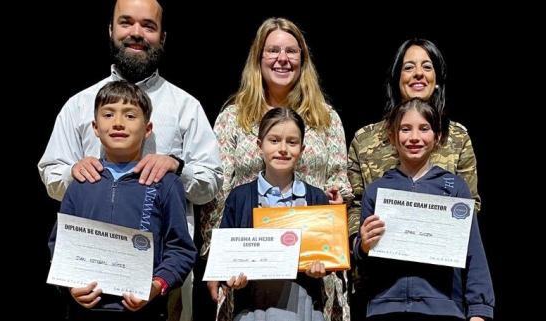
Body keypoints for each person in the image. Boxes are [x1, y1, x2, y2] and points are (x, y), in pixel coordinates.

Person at [37, 1, 223, 320]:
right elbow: (52, 177)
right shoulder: (78, 105)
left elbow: (211, 185)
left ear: (162, 36)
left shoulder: (186, 107)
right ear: (111, 30)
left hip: (162, 286)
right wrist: (73, 172)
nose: (136, 33)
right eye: (126, 23)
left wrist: (177, 166)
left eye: (148, 26)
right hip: (89, 286)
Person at [199, 17, 353, 321]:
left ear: (302, 60)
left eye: (291, 52)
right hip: (249, 272)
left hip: (311, 270)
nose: (282, 59)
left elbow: (340, 181)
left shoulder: (327, 118)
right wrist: (217, 260)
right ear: (258, 59)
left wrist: (335, 206)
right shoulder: (233, 117)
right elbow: (218, 195)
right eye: (272, 51)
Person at [346, 38, 481, 320]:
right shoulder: (365, 138)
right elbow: (356, 205)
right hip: (383, 289)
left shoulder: (457, 136)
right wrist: (362, 245)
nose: (418, 73)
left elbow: (469, 212)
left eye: (426, 66)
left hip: (440, 289)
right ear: (397, 77)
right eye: (409, 67)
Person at [47, 80, 196, 321]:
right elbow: (60, 246)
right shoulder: (81, 182)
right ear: (95, 127)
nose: (118, 123)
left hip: (145, 311)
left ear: (147, 129)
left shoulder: (165, 183)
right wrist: (69, 288)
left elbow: (180, 249)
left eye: (130, 115)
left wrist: (157, 285)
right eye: (108, 114)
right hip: (83, 312)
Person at [352, 97, 494, 321]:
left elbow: (473, 252)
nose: (414, 137)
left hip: (443, 308)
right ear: (392, 137)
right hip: (386, 308)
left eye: (424, 129)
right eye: (405, 129)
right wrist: (364, 246)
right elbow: (363, 258)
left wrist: (479, 310)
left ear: (438, 138)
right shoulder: (376, 191)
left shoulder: (455, 188)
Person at [208, 108, 331, 321]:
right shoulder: (240, 197)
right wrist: (231, 277)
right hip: (251, 306)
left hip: (301, 303)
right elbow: (227, 255)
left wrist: (323, 267)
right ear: (259, 145)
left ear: (302, 149)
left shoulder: (316, 197)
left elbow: (327, 254)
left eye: (292, 142)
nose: (283, 149)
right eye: (274, 140)